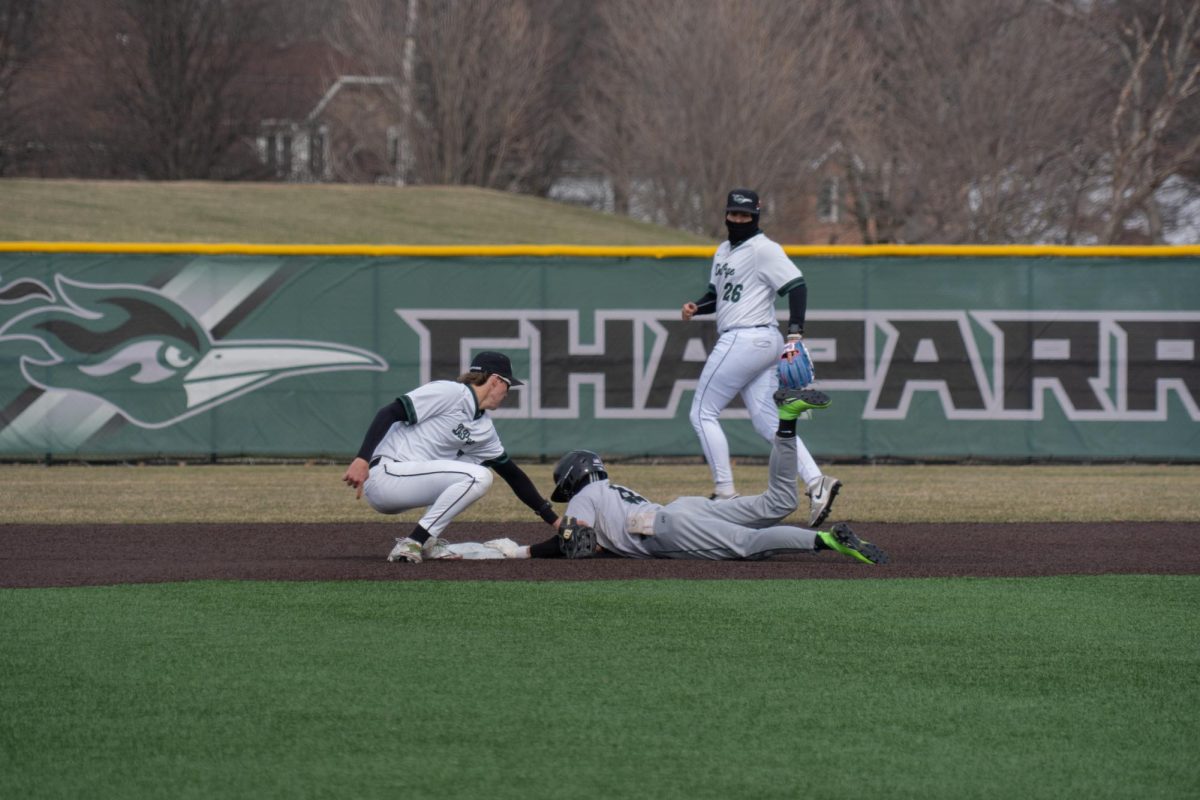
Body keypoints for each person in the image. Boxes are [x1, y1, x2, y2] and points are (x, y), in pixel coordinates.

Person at [485, 389, 888, 564]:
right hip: (678, 510)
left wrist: (522, 552)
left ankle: (827, 540)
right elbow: (592, 542)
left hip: (664, 526)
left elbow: (575, 544)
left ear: (574, 477)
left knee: (748, 546)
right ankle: (786, 422)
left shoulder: (583, 498)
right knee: (777, 503)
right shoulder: (609, 489)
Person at [681, 188, 841, 527]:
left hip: (747, 337)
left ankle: (724, 492)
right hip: (755, 339)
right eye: (733, 214)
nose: (738, 220)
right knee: (767, 422)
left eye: (745, 215)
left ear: (756, 216)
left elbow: (797, 286)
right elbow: (718, 296)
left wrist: (796, 331)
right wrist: (697, 307)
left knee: (701, 412)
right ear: (726, 214)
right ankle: (817, 482)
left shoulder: (764, 249)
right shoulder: (724, 250)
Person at [342, 350, 559, 563]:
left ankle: (426, 541)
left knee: (473, 466)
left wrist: (556, 521)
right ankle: (414, 542)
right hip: (386, 474)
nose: (508, 391)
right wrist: (362, 459)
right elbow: (389, 413)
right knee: (479, 476)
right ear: (495, 380)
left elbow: (513, 475)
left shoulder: (484, 428)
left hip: (410, 482)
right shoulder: (451, 392)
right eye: (507, 384)